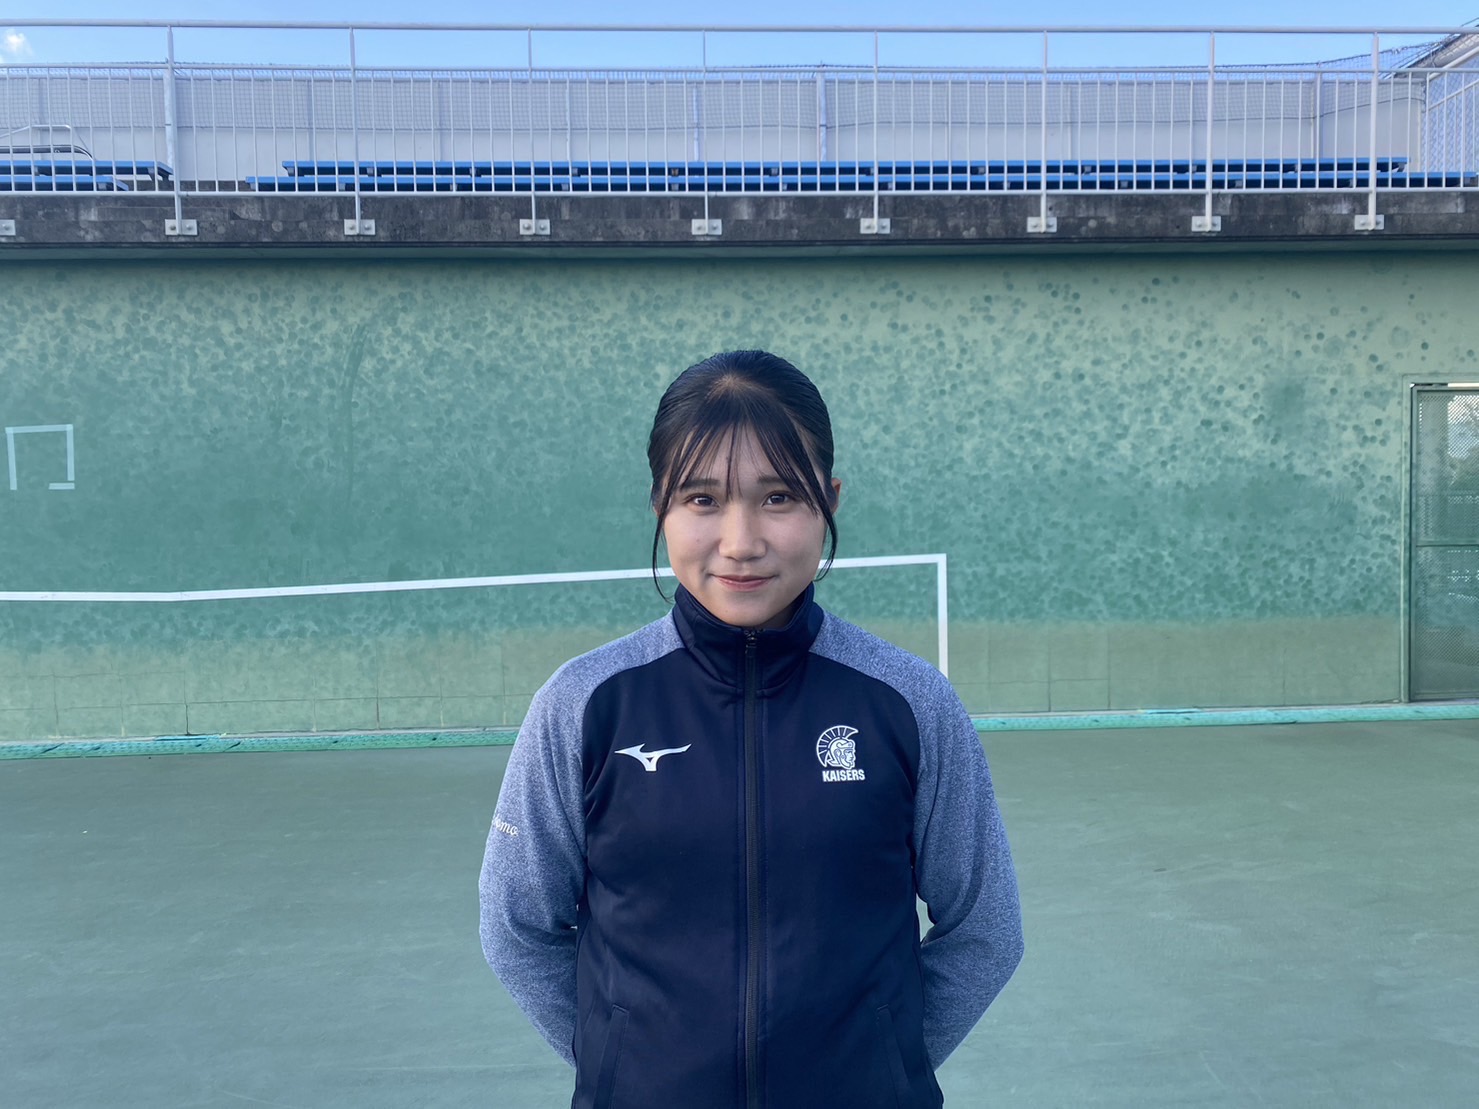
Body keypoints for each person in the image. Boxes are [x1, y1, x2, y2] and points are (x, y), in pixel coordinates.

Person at [480, 350, 1023, 1109]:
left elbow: (986, 928)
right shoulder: (582, 704)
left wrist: (884, 1067)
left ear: (829, 501)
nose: (740, 540)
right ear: (660, 505)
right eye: (702, 498)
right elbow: (516, 925)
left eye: (778, 497)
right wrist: (620, 1064)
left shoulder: (909, 702)